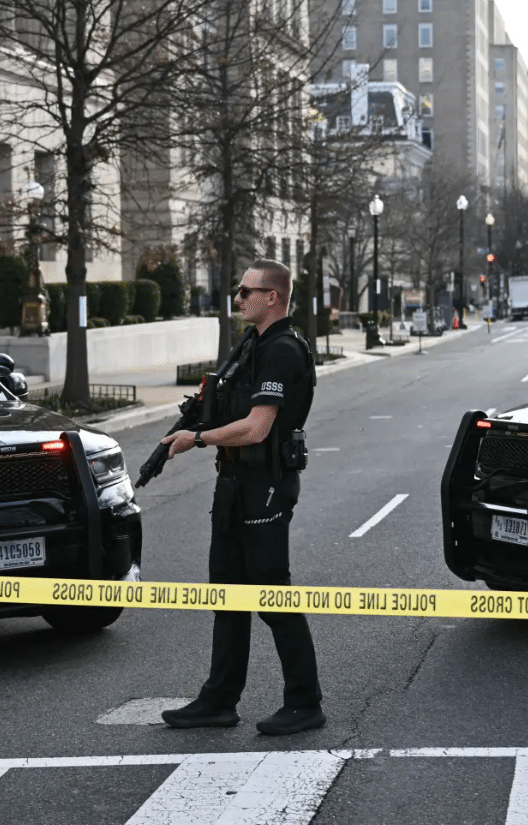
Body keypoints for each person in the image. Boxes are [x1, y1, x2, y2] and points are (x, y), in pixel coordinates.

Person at [158, 259, 324, 736]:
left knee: (271, 595)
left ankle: (305, 703)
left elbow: (257, 428)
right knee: (227, 594)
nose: (237, 298)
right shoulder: (252, 345)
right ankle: (218, 701)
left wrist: (198, 438)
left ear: (272, 297)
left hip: (266, 485)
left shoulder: (283, 351)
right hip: (233, 484)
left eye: (246, 291)